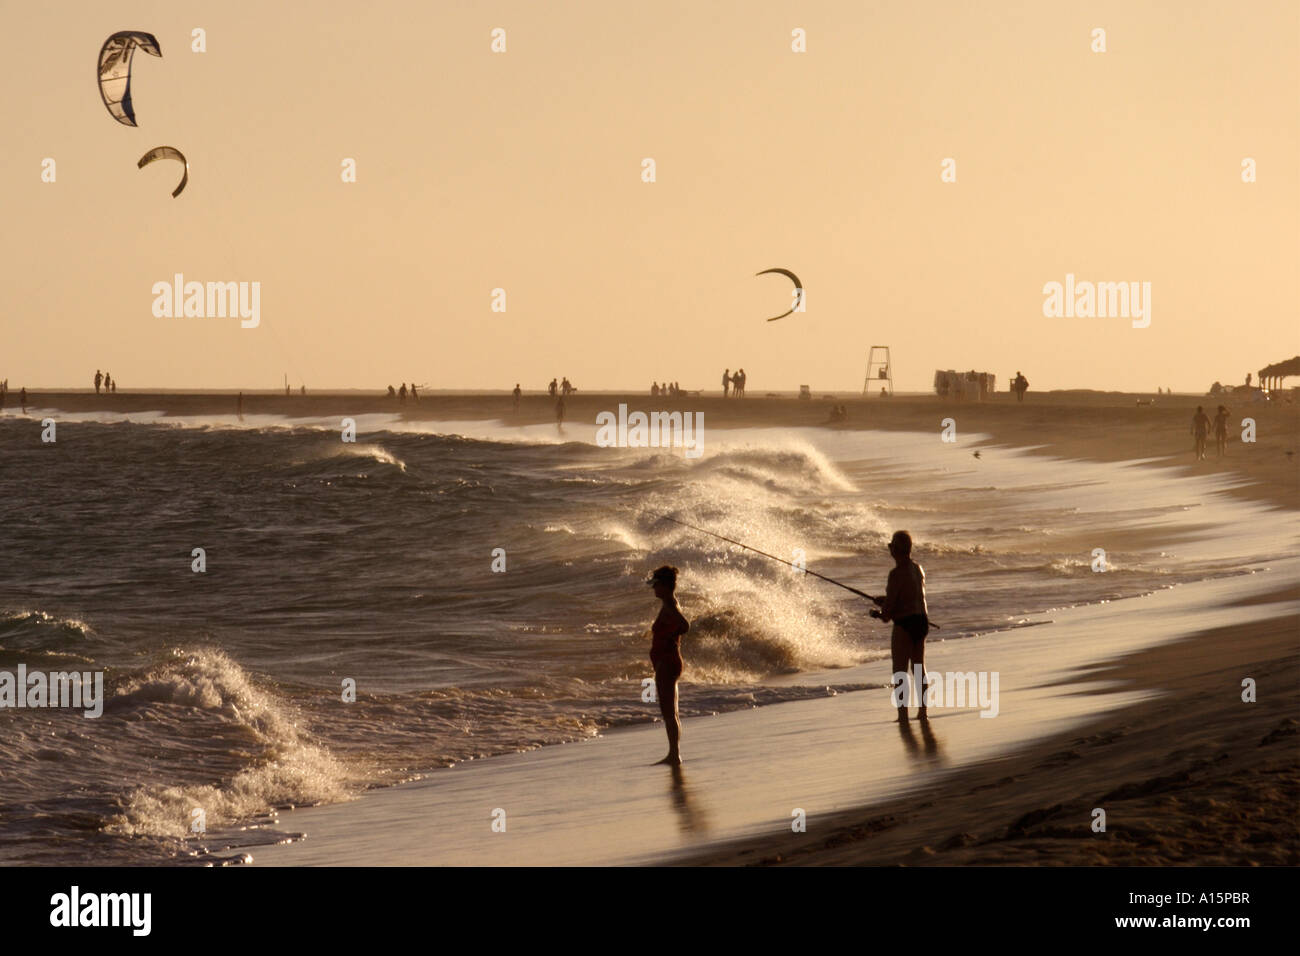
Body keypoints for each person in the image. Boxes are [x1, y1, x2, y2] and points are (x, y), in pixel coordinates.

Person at [870, 531, 930, 721]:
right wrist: (886, 601)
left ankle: (902, 715)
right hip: (921, 621)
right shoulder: (917, 569)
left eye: (891, 546)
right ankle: (922, 712)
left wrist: (877, 613)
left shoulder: (895, 574)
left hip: (904, 624)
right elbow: (909, 597)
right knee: (919, 668)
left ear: (896, 549)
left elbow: (888, 615)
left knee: (900, 671)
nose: (890, 550)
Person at [647, 565, 689, 765]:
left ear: (664, 585)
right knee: (672, 711)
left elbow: (684, 625)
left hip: (667, 662)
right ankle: (674, 753)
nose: (653, 589)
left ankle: (674, 754)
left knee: (668, 711)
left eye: (656, 585)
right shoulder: (669, 603)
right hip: (668, 661)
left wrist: (670, 638)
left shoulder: (671, 605)